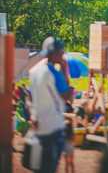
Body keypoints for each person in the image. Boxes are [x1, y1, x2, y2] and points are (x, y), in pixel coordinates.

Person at [29, 36, 73, 173]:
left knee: (39, 168)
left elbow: (30, 97)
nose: (63, 55)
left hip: (38, 126)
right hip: (53, 127)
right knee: (50, 167)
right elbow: (67, 97)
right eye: (61, 52)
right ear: (54, 53)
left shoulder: (34, 71)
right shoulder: (53, 73)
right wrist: (65, 69)